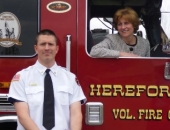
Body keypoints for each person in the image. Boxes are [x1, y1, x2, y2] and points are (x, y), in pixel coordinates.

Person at [8, 29, 86, 130]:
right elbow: (23, 116)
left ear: (57, 49)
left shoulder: (70, 78)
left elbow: (76, 115)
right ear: (36, 48)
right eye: (43, 44)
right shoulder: (21, 77)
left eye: (50, 44)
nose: (47, 48)